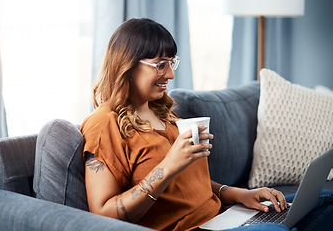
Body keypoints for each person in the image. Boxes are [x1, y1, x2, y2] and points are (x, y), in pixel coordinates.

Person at [80, 18, 332, 231]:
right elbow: (103, 216)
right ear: (127, 65)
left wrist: (239, 194)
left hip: (222, 218)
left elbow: (187, 184)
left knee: (325, 201)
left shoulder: (163, 113)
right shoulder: (103, 124)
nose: (170, 74)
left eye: (172, 62)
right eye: (160, 65)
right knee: (275, 229)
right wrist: (168, 166)